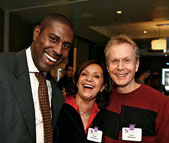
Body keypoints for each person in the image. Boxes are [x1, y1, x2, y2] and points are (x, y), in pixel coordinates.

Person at [0, 14, 74, 143]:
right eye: (53, 39)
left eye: (66, 46)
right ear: (36, 33)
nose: (58, 50)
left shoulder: (57, 94)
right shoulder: (3, 67)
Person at [101, 34, 169, 143]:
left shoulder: (161, 103)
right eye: (114, 61)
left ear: (136, 64)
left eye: (126, 60)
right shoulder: (102, 98)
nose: (120, 67)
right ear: (107, 66)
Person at [57, 60, 112, 143]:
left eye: (96, 76)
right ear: (76, 81)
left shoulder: (104, 116)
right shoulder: (59, 107)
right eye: (84, 74)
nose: (89, 79)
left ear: (103, 87)